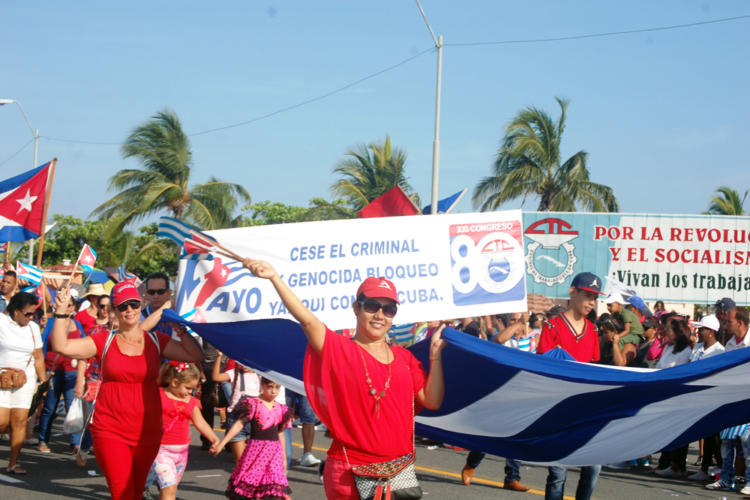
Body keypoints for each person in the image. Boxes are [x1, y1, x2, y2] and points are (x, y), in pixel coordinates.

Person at [243, 259, 446, 499]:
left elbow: (432, 401)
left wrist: (435, 358)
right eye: (372, 306)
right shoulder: (339, 350)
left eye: (389, 309)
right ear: (356, 308)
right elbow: (308, 321)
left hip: (398, 469)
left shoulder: (405, 358)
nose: (380, 315)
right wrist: (275, 278)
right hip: (350, 470)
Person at [49, 281, 204, 500]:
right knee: (122, 493)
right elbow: (61, 346)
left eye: (133, 304)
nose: (129, 310)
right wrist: (61, 314)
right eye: (122, 306)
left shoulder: (156, 340)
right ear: (114, 310)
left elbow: (195, 355)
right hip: (110, 429)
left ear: (141, 305)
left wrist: (181, 330)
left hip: (147, 432)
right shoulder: (103, 341)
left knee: (136, 491)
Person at [537, 272, 604, 500]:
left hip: (586, 407)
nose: (591, 303)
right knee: (558, 472)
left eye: (594, 298)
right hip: (559, 407)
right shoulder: (552, 325)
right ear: (573, 292)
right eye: (587, 296)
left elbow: (594, 368)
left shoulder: (593, 330)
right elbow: (544, 366)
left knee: (593, 467)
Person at [211, 377, 293, 500]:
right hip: (256, 451)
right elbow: (239, 424)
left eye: (277, 388)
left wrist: (284, 458)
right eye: (270, 387)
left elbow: (280, 433)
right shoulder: (253, 404)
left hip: (274, 453)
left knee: (272, 491)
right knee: (246, 489)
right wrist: (222, 443)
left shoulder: (282, 409)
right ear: (262, 385)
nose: (273, 391)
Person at [147, 361, 219, 500]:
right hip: (161, 450)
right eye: (187, 387)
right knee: (169, 489)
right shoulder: (158, 395)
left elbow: (200, 422)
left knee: (170, 491)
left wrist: (214, 438)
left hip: (182, 452)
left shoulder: (191, 401)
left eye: (193, 388)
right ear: (174, 382)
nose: (190, 392)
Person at [0, 292, 46, 474]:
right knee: (2, 422)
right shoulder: (1, 322)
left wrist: (42, 382)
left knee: (19, 421)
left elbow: (38, 356)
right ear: (16, 311)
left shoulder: (33, 328)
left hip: (25, 379)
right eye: (27, 314)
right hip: (2, 378)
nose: (31, 317)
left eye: (33, 313)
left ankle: (13, 463)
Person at [707, 307, 750, 493]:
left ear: (740, 322)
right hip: (731, 396)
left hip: (747, 397)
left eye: (729, 321)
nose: (725, 325)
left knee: (748, 443)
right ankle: (726, 478)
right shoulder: (731, 343)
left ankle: (749, 481)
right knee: (727, 441)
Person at [37, 293, 86, 454]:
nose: (68, 308)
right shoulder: (50, 323)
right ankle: (43, 439)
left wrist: (81, 376)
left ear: (73, 308)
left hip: (71, 373)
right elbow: (39, 346)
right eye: (66, 304)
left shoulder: (77, 325)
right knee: (49, 408)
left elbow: (83, 350)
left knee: (73, 408)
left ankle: (75, 443)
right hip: (53, 372)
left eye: (71, 305)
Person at [686, 314, 725, 482]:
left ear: (710, 331)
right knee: (702, 434)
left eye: (701, 329)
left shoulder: (719, 351)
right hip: (694, 397)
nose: (698, 331)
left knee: (712, 436)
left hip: (710, 398)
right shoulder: (697, 348)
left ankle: (715, 468)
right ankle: (701, 467)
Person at [286, 389, 321, 467]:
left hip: (304, 381)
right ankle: (279, 452)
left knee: (309, 416)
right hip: (287, 379)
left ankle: (307, 454)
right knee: (283, 414)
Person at [141, 272, 175, 338]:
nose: (156, 296)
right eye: (151, 292)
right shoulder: (139, 316)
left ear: (169, 293)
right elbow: (140, 330)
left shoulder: (179, 313)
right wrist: (167, 305)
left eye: (160, 292)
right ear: (146, 294)